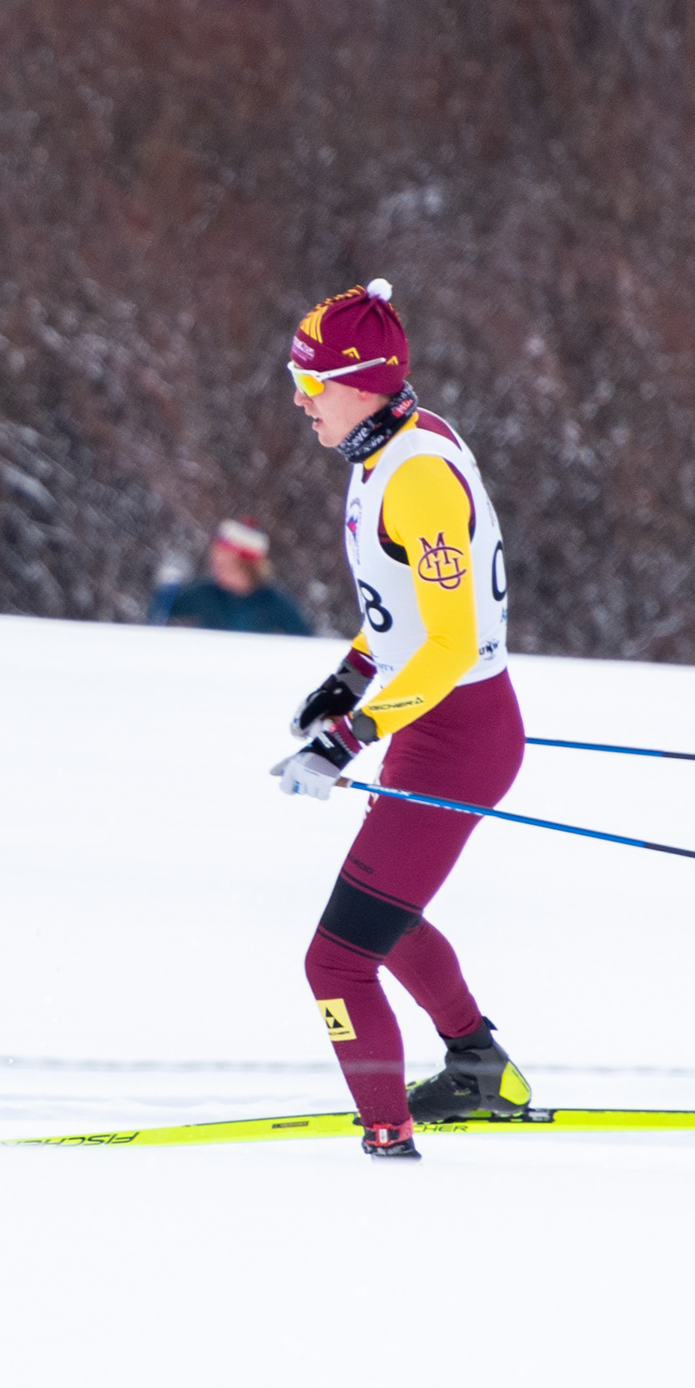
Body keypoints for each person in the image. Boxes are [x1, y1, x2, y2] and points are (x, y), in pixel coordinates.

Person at [265, 280, 531, 1158]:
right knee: (383, 918)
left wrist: (350, 737)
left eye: (312, 384)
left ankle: (388, 1143)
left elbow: (449, 644)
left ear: (361, 384)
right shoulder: (389, 447)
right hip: (430, 721)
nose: (301, 400)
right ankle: (479, 1069)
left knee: (335, 961)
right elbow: (404, 613)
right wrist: (350, 677)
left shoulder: (415, 478)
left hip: (459, 737)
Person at [149, 517, 317, 635]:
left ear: (247, 566)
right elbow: (157, 614)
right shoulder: (204, 593)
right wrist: (165, 592)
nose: (216, 569)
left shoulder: (272, 601)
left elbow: (306, 641)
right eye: (215, 562)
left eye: (224, 564)